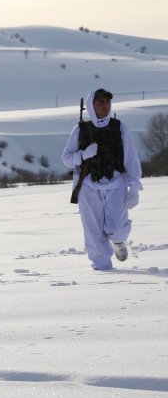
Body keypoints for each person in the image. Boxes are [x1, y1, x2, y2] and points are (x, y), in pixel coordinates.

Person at [61, 88, 143, 270]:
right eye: (100, 102)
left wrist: (135, 188)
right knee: (93, 231)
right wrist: (83, 155)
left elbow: (131, 157)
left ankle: (119, 240)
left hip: (117, 184)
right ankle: (102, 268)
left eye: (107, 102)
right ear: (91, 105)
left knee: (115, 226)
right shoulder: (80, 129)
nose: (105, 106)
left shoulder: (119, 127)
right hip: (88, 187)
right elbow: (66, 158)